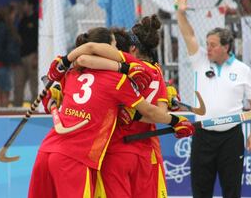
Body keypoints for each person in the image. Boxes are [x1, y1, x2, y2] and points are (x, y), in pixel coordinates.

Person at [28, 27, 195, 198]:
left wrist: (54, 92)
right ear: (107, 48)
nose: (116, 50)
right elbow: (151, 111)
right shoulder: (120, 79)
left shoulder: (73, 71)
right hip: (79, 158)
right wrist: (175, 120)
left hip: (47, 151)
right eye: (113, 46)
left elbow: (79, 63)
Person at [70, 15, 174, 197]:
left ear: (132, 47)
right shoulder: (156, 72)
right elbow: (160, 114)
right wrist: (169, 103)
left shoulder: (116, 69)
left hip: (115, 149)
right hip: (145, 152)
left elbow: (83, 61)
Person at [175, 0, 251, 197]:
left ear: (226, 47)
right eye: (207, 43)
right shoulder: (200, 61)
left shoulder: (242, 70)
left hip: (231, 138)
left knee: (232, 191)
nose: (208, 48)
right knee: (200, 190)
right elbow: (188, 35)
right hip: (202, 136)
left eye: (212, 45)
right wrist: (180, 11)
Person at [0, 4, 21, 107]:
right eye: (14, 15)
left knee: (3, 89)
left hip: (6, 63)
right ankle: (1, 112)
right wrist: (8, 60)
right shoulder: (2, 27)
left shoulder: (9, 27)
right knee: (2, 90)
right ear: (9, 15)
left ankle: (1, 109)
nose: (15, 17)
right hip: (2, 63)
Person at [13, 0, 39, 106]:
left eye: (24, 4)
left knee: (34, 86)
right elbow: (18, 39)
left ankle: (35, 110)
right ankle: (16, 109)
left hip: (32, 56)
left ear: (31, 5)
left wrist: (37, 56)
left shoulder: (36, 19)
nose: (22, 6)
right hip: (21, 57)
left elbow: (40, 39)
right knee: (18, 85)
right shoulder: (22, 20)